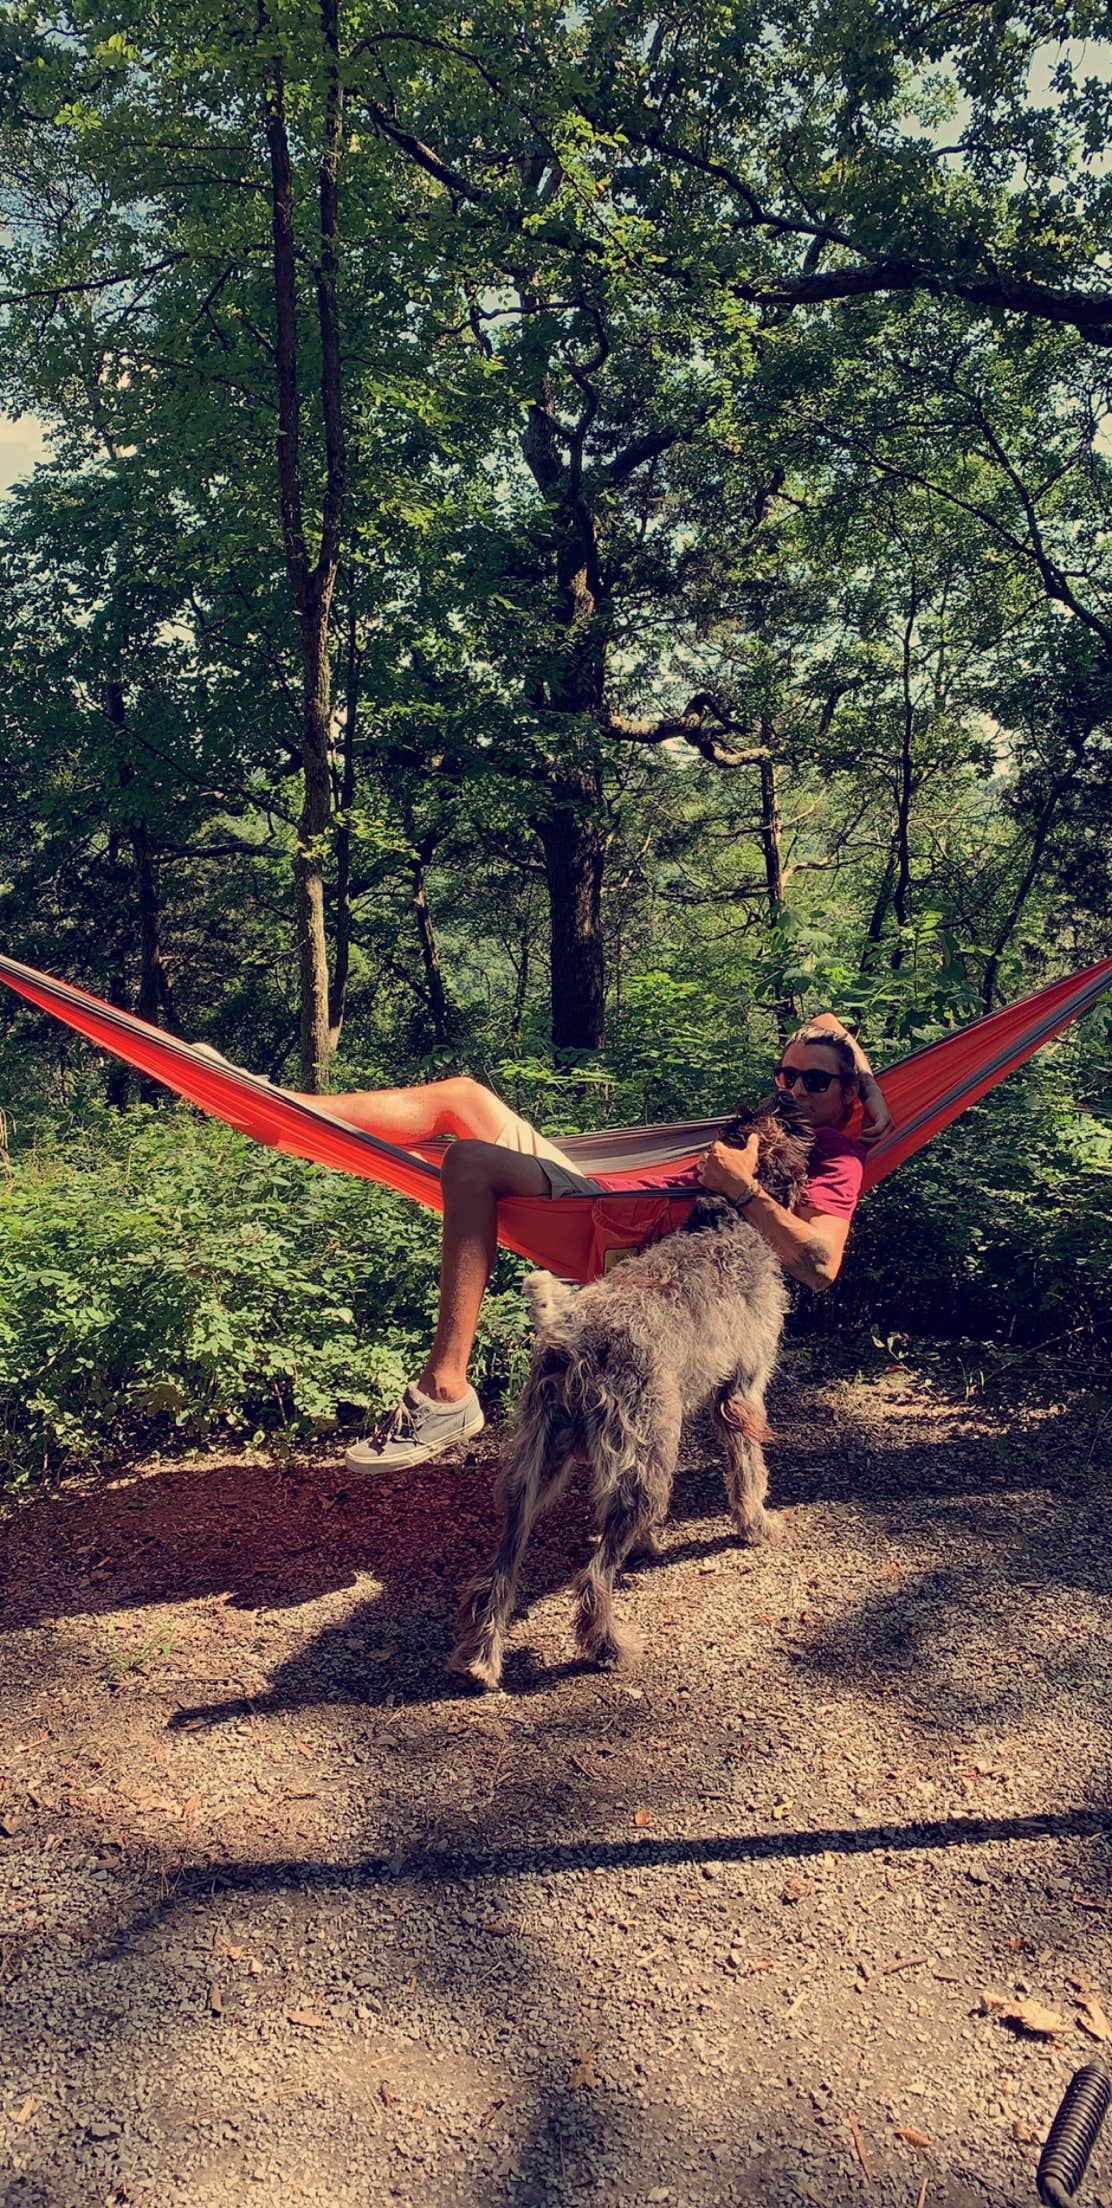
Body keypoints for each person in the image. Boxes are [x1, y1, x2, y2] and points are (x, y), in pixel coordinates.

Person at [308, 1010, 893, 1473]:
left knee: (467, 1162)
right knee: (462, 1096)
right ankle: (286, 1108)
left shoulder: (837, 1156)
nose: (793, 1088)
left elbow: (820, 1265)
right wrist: (871, 1087)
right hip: (604, 1192)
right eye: (786, 1075)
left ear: (840, 1099)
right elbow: (826, 1019)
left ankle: (446, 1391)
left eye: (815, 1081)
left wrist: (743, 1189)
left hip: (618, 1221)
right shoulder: (790, 1113)